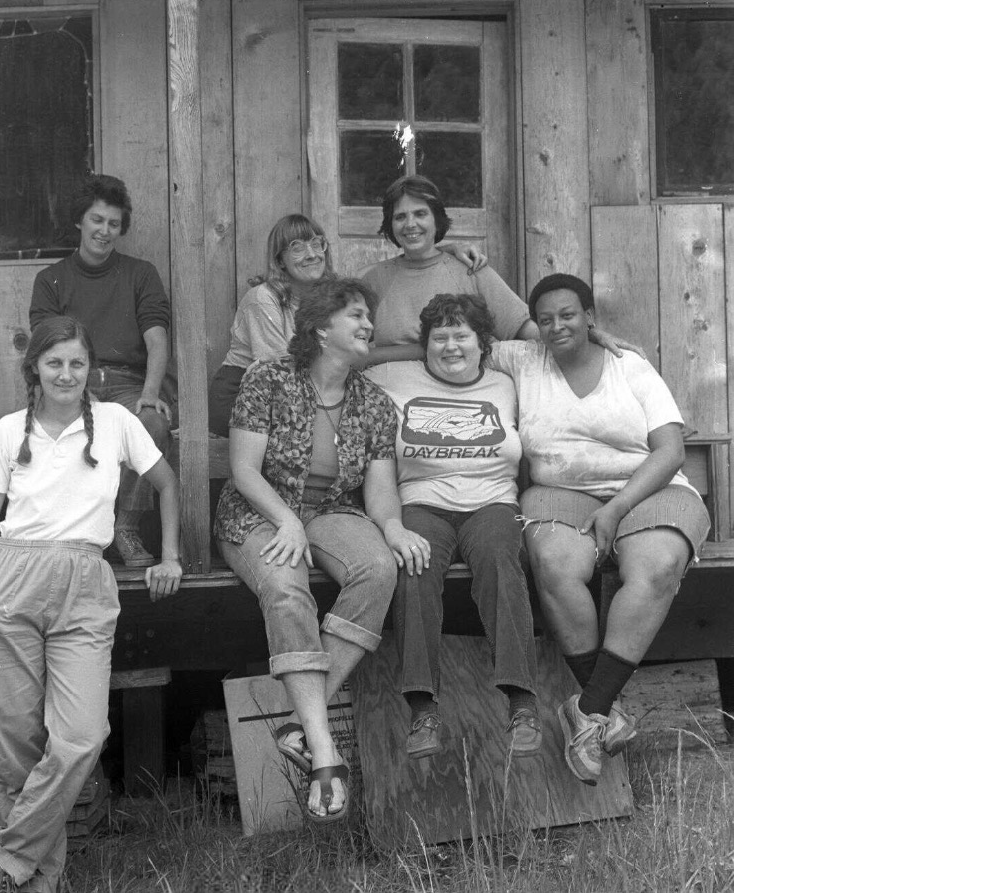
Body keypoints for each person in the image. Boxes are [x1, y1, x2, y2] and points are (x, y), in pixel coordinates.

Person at [0, 317, 183, 892]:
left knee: (81, 736)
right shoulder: (10, 430)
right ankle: (38, 881)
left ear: (93, 369)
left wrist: (171, 555)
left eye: (77, 363)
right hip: (11, 576)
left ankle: (5, 860)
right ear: (35, 368)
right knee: (15, 743)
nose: (67, 374)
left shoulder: (116, 422)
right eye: (55, 362)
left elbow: (165, 482)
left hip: (86, 580)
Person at [214, 277, 430, 824]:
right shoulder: (268, 378)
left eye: (368, 317)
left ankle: (297, 726)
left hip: (330, 511)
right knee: (286, 589)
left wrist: (394, 528)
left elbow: (380, 494)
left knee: (379, 567)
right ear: (319, 328)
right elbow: (243, 470)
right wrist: (285, 520)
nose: (367, 327)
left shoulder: (375, 403)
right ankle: (324, 751)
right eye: (355, 316)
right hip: (259, 510)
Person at [489, 273, 710, 786]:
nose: (556, 325)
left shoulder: (629, 365)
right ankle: (603, 713)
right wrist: (464, 258)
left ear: (590, 317)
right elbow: (445, 341)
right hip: (558, 489)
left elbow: (670, 449)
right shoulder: (522, 359)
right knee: (556, 564)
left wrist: (615, 510)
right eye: (545, 319)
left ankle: (587, 710)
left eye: (568, 314)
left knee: (657, 567)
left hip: (649, 485)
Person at [365, 294, 542, 760]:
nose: (449, 346)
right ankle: (423, 709)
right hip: (422, 500)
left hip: (493, 502)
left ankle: (522, 703)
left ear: (482, 343)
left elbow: (554, 352)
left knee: (503, 562)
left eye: (460, 335)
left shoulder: (508, 383)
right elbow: (345, 358)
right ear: (423, 345)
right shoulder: (390, 377)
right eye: (438, 337)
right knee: (414, 568)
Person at [208, 212, 488, 437]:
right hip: (244, 392)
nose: (311, 254)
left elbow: (377, 271)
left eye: (317, 243)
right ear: (280, 259)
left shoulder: (332, 293)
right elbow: (277, 371)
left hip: (305, 389)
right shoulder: (263, 299)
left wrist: (445, 249)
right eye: (297, 247)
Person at [30, 174, 174, 568]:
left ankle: (124, 528)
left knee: (153, 425)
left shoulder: (140, 274)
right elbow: (47, 351)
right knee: (63, 430)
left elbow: (157, 340)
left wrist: (150, 392)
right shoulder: (51, 280)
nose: (105, 230)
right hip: (71, 382)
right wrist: (77, 392)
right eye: (97, 220)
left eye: (113, 223)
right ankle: (67, 537)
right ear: (79, 221)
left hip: (130, 384)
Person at [359, 174, 637, 366]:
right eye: (400, 217)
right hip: (392, 397)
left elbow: (524, 328)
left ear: (436, 219)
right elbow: (351, 347)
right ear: (390, 225)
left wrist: (587, 334)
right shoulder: (374, 280)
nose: (410, 224)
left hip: (461, 393)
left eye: (420, 214)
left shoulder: (470, 269)